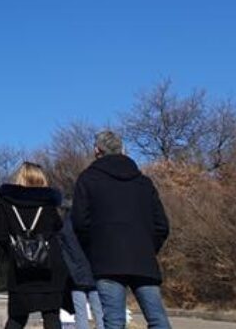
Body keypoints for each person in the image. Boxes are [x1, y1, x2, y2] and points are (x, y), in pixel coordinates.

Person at [72, 131, 172, 329]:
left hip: (106, 259)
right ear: (123, 150)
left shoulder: (88, 179)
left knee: (114, 321)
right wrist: (147, 247)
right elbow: (162, 225)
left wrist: (93, 250)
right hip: (143, 258)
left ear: (96, 150)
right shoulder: (143, 182)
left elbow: (80, 223)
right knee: (158, 319)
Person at [0, 162, 68, 329]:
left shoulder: (6, 202)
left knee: (17, 318)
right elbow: (58, 229)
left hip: (19, 270)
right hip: (48, 267)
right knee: (51, 316)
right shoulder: (49, 203)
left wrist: (15, 253)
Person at [60, 199, 103, 329]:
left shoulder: (64, 226)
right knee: (100, 311)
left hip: (75, 274)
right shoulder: (93, 222)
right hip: (95, 271)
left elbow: (62, 251)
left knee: (80, 312)